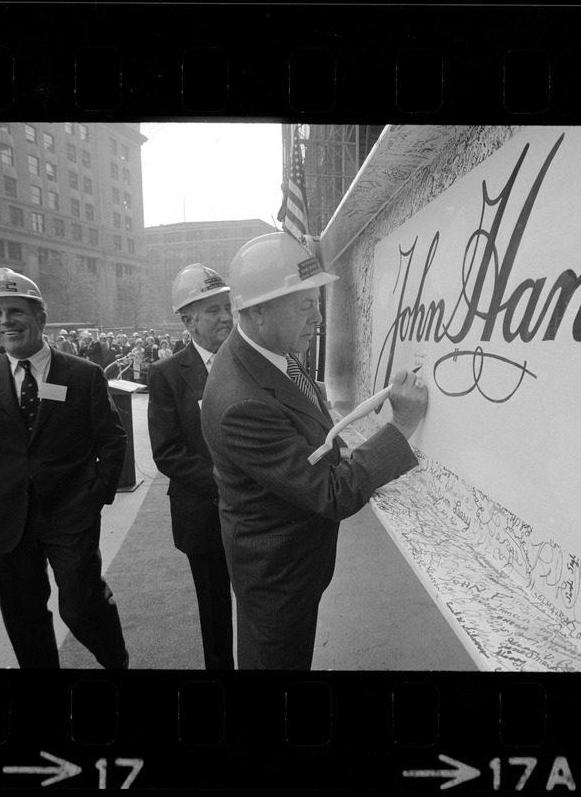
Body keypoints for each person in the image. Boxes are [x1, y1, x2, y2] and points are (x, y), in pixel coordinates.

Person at [201, 233, 428, 669]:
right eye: (305, 304)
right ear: (258, 310)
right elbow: (331, 495)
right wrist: (401, 427)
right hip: (279, 579)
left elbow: (307, 429)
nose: (318, 317)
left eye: (317, 301)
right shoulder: (241, 403)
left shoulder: (270, 351)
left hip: (291, 566)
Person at [0, 268, 129, 669]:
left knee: (83, 606)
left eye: (15, 310)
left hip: (70, 513)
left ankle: (117, 662)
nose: (5, 322)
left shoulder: (83, 375)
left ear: (40, 316)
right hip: (4, 516)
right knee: (22, 616)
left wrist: (96, 494)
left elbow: (112, 438)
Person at [147, 264, 236, 670]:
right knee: (215, 611)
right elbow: (167, 452)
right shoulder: (167, 375)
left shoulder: (250, 362)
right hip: (203, 512)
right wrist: (226, 484)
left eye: (227, 307)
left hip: (260, 514)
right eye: (213, 310)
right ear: (188, 320)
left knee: (262, 606)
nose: (226, 317)